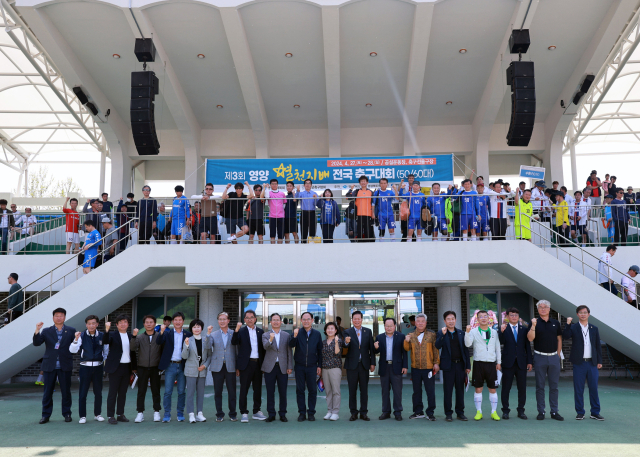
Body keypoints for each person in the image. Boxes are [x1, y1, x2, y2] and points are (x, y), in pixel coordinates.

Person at [33, 308, 75, 424]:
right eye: (56, 315)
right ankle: (45, 415)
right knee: (47, 392)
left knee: (66, 392)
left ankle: (67, 414)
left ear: (64, 317)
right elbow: (36, 343)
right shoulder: (46, 331)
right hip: (49, 366)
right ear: (53, 318)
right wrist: (37, 330)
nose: (59, 317)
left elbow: (75, 348)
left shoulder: (71, 330)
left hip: (65, 365)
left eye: (61, 315)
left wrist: (77, 339)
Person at [564, 306, 604, 420]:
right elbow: (566, 336)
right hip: (579, 363)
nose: (583, 314)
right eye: (580, 313)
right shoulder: (574, 327)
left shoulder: (594, 328)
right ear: (577, 314)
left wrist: (599, 361)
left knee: (593, 388)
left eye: (585, 312)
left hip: (592, 363)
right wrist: (568, 324)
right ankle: (580, 412)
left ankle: (595, 412)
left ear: (589, 314)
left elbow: (597, 346)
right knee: (578, 388)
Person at [527, 300, 563, 421]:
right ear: (537, 309)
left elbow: (559, 339)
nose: (543, 309)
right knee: (540, 386)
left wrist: (557, 355)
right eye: (540, 307)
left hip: (553, 357)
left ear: (549, 309)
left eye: (545, 307)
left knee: (554, 386)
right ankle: (541, 411)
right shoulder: (534, 323)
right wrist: (533, 325)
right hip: (539, 357)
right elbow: (530, 338)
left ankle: (554, 412)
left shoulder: (555, 323)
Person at [464, 310, 501, 421]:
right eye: (481, 317)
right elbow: (467, 344)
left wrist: (499, 362)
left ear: (489, 318)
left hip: (491, 364)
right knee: (478, 389)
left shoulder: (494, 332)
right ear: (477, 319)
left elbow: (497, 348)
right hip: (478, 363)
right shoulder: (474, 331)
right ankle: (478, 412)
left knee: (493, 389)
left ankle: (493, 412)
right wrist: (467, 332)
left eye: (485, 316)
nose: (483, 318)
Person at [69, 315, 107, 423]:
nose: (91, 325)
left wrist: (101, 360)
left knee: (98, 392)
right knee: (83, 392)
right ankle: (82, 416)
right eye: (89, 323)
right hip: (85, 367)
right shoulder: (81, 336)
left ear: (97, 324)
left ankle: (97, 414)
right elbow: (72, 350)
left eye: (93, 323)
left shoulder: (102, 335)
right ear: (86, 325)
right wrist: (76, 339)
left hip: (98, 367)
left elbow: (106, 351)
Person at [156, 311, 192, 422]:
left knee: (181, 391)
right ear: (172, 322)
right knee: (168, 391)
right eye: (175, 320)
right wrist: (161, 332)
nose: (177, 322)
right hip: (170, 365)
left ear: (183, 321)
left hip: (183, 365)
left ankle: (180, 413)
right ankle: (167, 414)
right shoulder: (167, 333)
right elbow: (158, 342)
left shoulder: (188, 334)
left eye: (180, 320)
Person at [435, 310, 471, 422]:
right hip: (448, 366)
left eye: (452, 319)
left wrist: (467, 366)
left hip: (460, 365)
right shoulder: (441, 333)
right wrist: (442, 334)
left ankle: (460, 413)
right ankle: (448, 413)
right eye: (448, 319)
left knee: (460, 390)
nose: (451, 321)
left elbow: (466, 350)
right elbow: (437, 345)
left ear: (456, 320)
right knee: (448, 390)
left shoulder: (461, 333)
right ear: (445, 321)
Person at [498, 307, 532, 420]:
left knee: (522, 388)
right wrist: (501, 331)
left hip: (522, 363)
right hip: (508, 363)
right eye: (511, 315)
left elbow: (528, 346)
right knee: (506, 388)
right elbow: (501, 342)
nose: (514, 317)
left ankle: (521, 411)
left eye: (516, 315)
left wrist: (529, 361)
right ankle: (505, 411)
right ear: (507, 317)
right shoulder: (504, 328)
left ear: (519, 317)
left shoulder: (524, 329)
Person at [232, 310, 267, 422]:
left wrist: (264, 366)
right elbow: (234, 342)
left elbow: (263, 350)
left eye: (251, 317)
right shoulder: (241, 331)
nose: (249, 319)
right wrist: (236, 330)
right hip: (245, 365)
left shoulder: (260, 332)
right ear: (244, 320)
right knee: (244, 389)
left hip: (258, 364)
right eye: (247, 318)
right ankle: (244, 412)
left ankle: (256, 411)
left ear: (255, 319)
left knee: (257, 389)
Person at [403, 313, 439, 420]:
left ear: (426, 323)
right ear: (415, 322)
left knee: (430, 391)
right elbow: (406, 349)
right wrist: (406, 340)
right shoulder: (411, 334)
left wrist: (436, 363)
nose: (420, 323)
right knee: (416, 391)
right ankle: (418, 412)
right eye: (418, 321)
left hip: (429, 368)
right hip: (415, 368)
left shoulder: (432, 334)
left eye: (422, 321)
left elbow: (435, 350)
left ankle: (430, 412)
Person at [102, 315, 136, 424]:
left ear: (128, 324)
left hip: (127, 367)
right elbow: (105, 341)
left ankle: (120, 414)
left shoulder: (131, 336)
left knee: (123, 393)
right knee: (113, 392)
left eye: (125, 322)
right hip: (115, 368)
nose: (123, 324)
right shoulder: (112, 335)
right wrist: (107, 330)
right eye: (120, 322)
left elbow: (133, 352)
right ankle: (110, 416)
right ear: (116, 325)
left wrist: (134, 369)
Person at [289, 312, 323, 421]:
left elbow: (320, 351)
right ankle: (302, 413)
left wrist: (319, 366)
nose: (306, 321)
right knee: (300, 390)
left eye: (308, 319)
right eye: (304, 319)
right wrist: (294, 336)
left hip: (312, 366)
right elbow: (291, 345)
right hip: (299, 366)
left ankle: (311, 412)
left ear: (312, 320)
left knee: (312, 390)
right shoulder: (297, 332)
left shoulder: (317, 334)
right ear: (301, 321)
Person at [343, 310, 376, 421]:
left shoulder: (368, 331)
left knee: (364, 390)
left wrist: (373, 363)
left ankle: (363, 413)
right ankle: (353, 413)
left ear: (362, 319)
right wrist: (346, 342)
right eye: (354, 318)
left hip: (364, 365)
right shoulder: (347, 332)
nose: (357, 320)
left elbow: (371, 348)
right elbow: (344, 347)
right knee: (352, 390)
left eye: (359, 318)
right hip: (351, 366)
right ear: (352, 320)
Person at [262, 312, 293, 422]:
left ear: (281, 322)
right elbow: (265, 347)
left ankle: (283, 414)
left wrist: (290, 366)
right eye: (273, 320)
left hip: (283, 367)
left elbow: (289, 352)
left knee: (283, 391)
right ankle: (271, 414)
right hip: (269, 367)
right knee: (270, 391)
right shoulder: (265, 335)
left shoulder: (286, 335)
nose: (275, 322)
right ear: (271, 322)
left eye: (277, 320)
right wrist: (271, 339)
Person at [207, 312, 238, 422]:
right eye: (220, 319)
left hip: (230, 366)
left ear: (228, 321)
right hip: (217, 367)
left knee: (232, 392)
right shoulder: (213, 334)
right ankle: (219, 414)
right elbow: (207, 347)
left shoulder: (234, 333)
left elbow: (237, 351)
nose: (222, 321)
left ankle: (233, 413)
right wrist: (207, 334)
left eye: (224, 319)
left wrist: (237, 367)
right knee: (218, 392)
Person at [375, 317, 407, 421]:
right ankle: (386, 412)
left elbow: (404, 353)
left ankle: (397, 412)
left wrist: (405, 366)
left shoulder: (401, 337)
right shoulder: (379, 337)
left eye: (391, 326)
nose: (389, 328)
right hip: (384, 367)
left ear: (394, 326)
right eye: (387, 326)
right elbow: (375, 352)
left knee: (397, 391)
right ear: (384, 326)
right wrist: (375, 348)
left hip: (397, 367)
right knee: (385, 391)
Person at [132, 314, 162, 423]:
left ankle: (157, 412)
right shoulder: (139, 337)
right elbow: (133, 348)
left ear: (155, 323)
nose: (149, 324)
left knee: (156, 390)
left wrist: (162, 367)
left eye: (151, 322)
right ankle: (140, 413)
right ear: (143, 324)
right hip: (142, 367)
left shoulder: (159, 336)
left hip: (155, 367)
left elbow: (163, 351)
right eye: (146, 322)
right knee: (141, 391)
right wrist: (134, 336)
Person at [182, 319, 211, 423]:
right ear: (191, 329)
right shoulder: (188, 340)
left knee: (200, 393)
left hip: (202, 371)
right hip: (190, 371)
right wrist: (186, 346)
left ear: (201, 328)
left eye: (198, 326)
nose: (196, 328)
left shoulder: (206, 340)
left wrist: (204, 365)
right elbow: (184, 356)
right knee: (190, 393)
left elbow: (209, 356)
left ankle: (199, 413)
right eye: (194, 327)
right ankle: (191, 414)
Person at [321, 322, 344, 421]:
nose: (330, 330)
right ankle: (329, 411)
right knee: (328, 391)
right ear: (325, 330)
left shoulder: (339, 341)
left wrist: (336, 342)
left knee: (336, 391)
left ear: (335, 331)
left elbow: (337, 353)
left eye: (332, 328)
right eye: (328, 328)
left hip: (335, 368)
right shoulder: (322, 342)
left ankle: (335, 412)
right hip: (324, 369)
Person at [264, 179, 286, 244]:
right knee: (272, 234)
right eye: (272, 184)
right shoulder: (269, 193)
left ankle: (279, 250)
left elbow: (284, 204)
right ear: (270, 185)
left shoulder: (282, 194)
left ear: (277, 184)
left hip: (281, 216)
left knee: (280, 235)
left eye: (275, 184)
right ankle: (273, 250)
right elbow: (267, 196)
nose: (274, 185)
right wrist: (267, 188)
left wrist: (280, 211)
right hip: (272, 216)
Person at [399, 174, 417, 241]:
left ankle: (410, 239)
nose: (411, 179)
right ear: (408, 179)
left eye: (412, 178)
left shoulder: (416, 186)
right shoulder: (405, 185)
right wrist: (401, 186)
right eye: (410, 178)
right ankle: (405, 236)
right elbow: (400, 194)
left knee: (410, 223)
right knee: (405, 220)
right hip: (405, 204)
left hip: (413, 205)